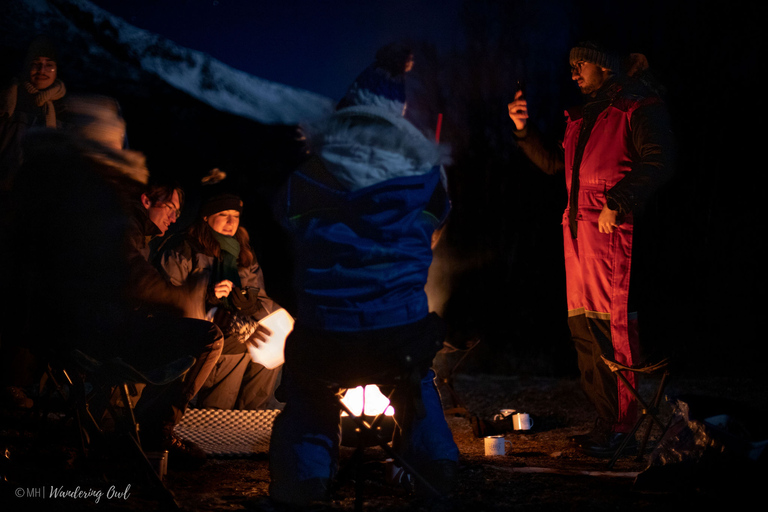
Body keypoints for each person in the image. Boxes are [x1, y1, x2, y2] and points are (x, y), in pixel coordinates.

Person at [268, 44, 459, 508]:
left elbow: (281, 222)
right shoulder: (425, 172)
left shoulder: (309, 175)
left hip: (326, 336)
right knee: (416, 382)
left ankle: (304, 489)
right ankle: (439, 477)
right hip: (399, 336)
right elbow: (438, 222)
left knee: (310, 393)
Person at [8, 94, 223, 465]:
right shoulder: (97, 195)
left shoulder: (44, 184)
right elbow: (126, 275)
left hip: (44, 327)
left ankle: (117, 430)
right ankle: (152, 435)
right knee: (208, 337)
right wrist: (182, 300)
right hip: (88, 333)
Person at [507, 41, 675, 457]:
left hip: (617, 232)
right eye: (572, 65)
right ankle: (606, 423)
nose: (573, 72)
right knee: (584, 331)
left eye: (581, 63)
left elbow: (660, 160)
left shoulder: (637, 106)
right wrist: (523, 131)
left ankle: (623, 428)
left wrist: (619, 202)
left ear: (604, 65)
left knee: (611, 331)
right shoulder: (583, 116)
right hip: (580, 235)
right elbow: (553, 166)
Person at [158, 191, 283, 410]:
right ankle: (217, 417)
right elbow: (167, 297)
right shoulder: (184, 248)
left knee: (272, 341)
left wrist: (251, 304)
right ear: (206, 217)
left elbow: (261, 297)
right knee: (236, 343)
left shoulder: (242, 252)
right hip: (201, 331)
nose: (231, 222)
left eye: (235, 215)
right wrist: (208, 295)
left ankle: (252, 419)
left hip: (238, 326)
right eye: (224, 214)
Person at [0, 35, 66, 192]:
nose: (42, 70)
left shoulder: (65, 108)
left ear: (57, 71)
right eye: (36, 64)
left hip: (44, 194)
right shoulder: (9, 98)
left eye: (49, 65)